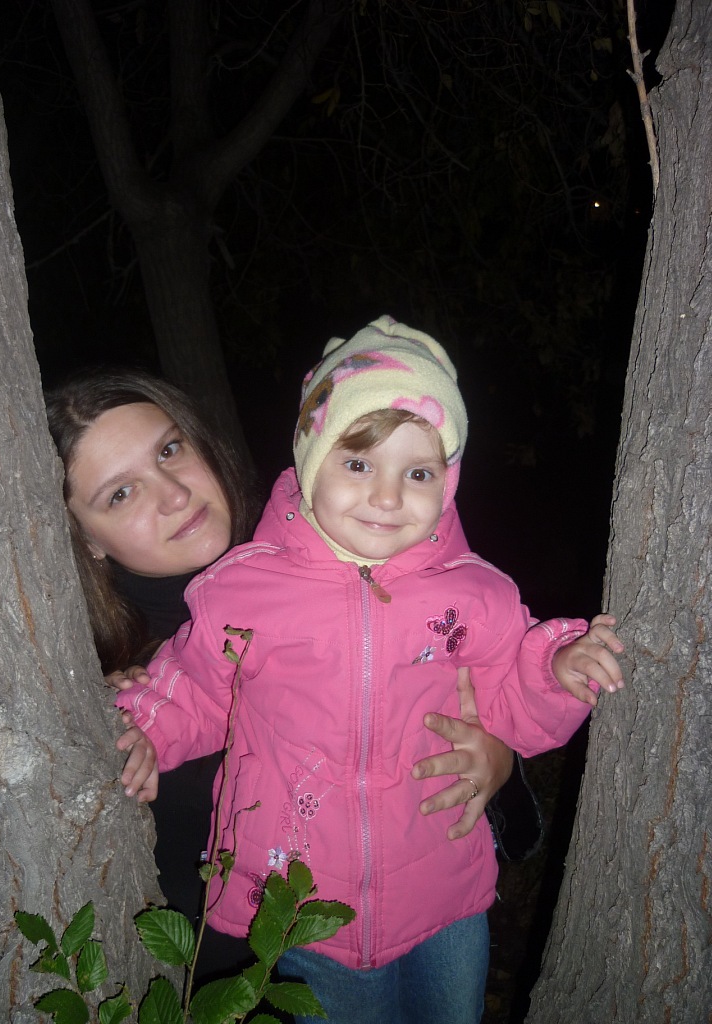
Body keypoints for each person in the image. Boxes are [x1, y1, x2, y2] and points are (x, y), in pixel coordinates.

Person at [114, 316, 624, 1024]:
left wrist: (560, 670)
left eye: (418, 473)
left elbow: (511, 700)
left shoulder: (474, 593)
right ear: (310, 460)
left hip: (445, 886)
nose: (388, 497)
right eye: (358, 464)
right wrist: (142, 728)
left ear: (448, 482)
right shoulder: (244, 590)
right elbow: (197, 689)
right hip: (304, 899)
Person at [44, 364, 517, 982]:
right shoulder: (99, 678)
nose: (174, 494)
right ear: (86, 538)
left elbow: (472, 675)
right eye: (120, 493)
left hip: (412, 925)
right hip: (247, 981)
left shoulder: (340, 548)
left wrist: (498, 756)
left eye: (169, 450)